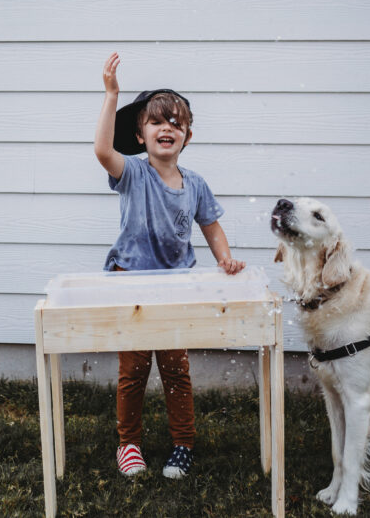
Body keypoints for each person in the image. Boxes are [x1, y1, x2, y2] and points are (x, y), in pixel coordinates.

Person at [94, 52, 245, 479]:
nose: (167, 128)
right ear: (140, 136)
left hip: (176, 286)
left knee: (177, 370)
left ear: (187, 136)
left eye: (176, 123)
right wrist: (111, 96)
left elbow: (212, 227)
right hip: (130, 283)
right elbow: (103, 151)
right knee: (134, 370)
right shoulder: (133, 175)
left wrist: (225, 260)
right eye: (157, 122)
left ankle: (183, 444)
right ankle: (129, 445)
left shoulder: (195, 184)